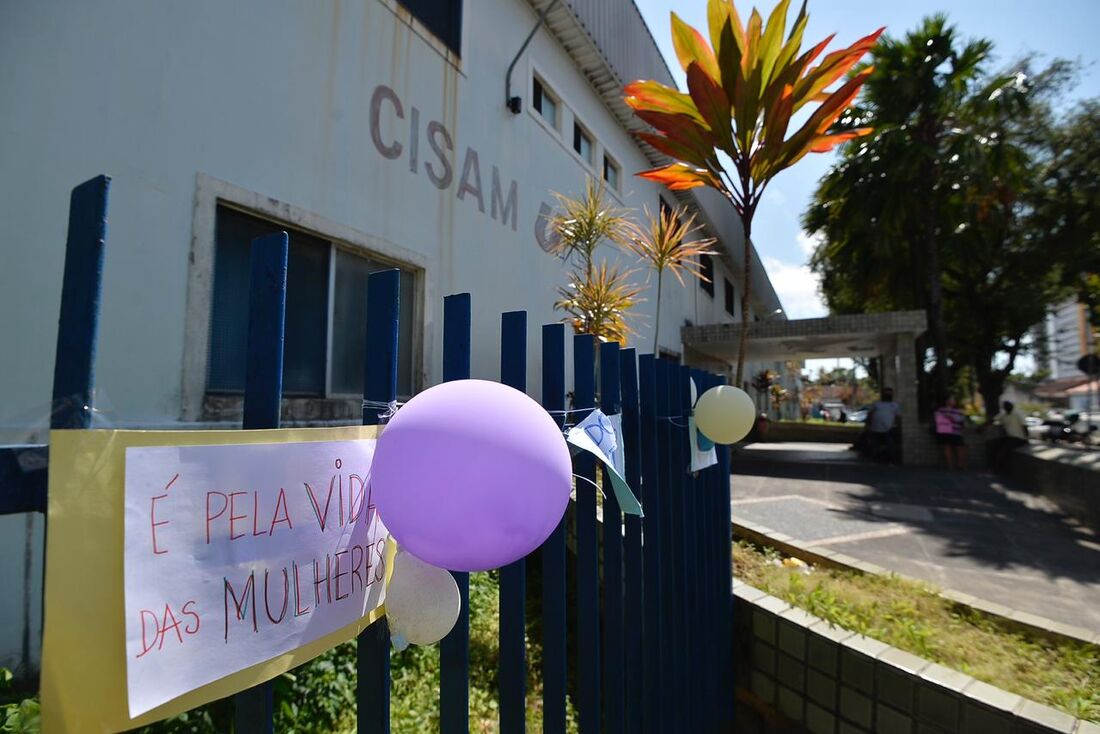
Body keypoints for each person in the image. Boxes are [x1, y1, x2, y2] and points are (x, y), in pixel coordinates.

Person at [864, 387, 901, 463]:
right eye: (886, 393)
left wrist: (895, 426)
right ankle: (875, 459)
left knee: (890, 445)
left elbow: (898, 417)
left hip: (889, 429)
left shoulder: (894, 405)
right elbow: (870, 414)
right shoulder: (877, 404)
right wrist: (868, 425)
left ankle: (889, 460)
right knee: (875, 446)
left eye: (889, 393)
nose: (887, 395)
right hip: (876, 429)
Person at [992, 400, 1028, 472]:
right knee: (994, 445)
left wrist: (1026, 438)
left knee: (1003, 450)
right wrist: (982, 426)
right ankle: (1000, 467)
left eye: (1008, 406)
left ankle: (997, 469)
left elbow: (1024, 426)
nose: (1007, 407)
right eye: (1006, 406)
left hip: (1019, 438)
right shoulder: (1003, 414)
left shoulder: (1017, 414)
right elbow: (993, 419)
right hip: (1009, 437)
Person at [934, 396, 967, 470]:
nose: (952, 402)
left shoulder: (959, 411)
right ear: (946, 401)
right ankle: (950, 465)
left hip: (956, 432)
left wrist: (951, 417)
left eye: (954, 400)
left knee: (960, 448)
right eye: (951, 400)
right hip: (944, 431)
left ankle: (960, 465)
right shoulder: (940, 410)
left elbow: (961, 420)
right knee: (947, 447)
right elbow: (937, 419)